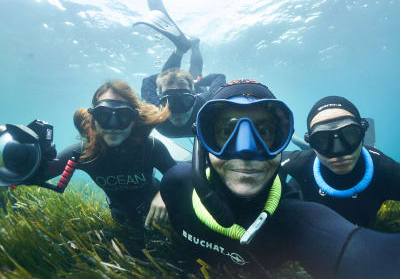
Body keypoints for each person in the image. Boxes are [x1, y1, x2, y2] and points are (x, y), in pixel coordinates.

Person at [160, 80, 400, 278]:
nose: (246, 150)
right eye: (226, 132)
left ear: (280, 144)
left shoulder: (299, 219)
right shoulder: (175, 183)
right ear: (203, 143)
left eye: (263, 132)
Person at [1, 81, 176, 230]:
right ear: (93, 119)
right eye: (103, 116)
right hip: (122, 221)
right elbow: (37, 174)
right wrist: (18, 148)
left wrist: (164, 195)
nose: (113, 126)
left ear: (134, 119)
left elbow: (179, 176)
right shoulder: (85, 152)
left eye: (122, 116)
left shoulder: (151, 147)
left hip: (164, 216)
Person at [281, 96, 400, 227]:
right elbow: (272, 160)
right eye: (321, 140)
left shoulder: (383, 168)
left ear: (362, 132)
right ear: (312, 142)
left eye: (350, 134)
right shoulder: (302, 163)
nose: (339, 151)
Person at [136, 0, 226, 138]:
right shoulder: (205, 102)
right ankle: (192, 45)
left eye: (184, 101)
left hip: (194, 85)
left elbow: (147, 81)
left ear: (194, 96)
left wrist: (195, 82)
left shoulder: (155, 110)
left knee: (176, 79)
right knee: (194, 72)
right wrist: (194, 82)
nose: (177, 111)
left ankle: (185, 48)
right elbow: (220, 77)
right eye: (169, 102)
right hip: (193, 85)